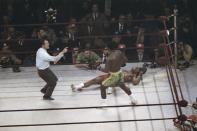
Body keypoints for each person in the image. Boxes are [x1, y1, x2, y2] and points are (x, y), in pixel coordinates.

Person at [71, 65, 147, 92]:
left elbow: (135, 82)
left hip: (115, 81)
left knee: (97, 81)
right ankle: (77, 87)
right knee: (95, 80)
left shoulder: (133, 75)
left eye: (137, 68)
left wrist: (140, 75)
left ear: (137, 71)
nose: (136, 67)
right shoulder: (126, 70)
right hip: (110, 75)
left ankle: (110, 87)